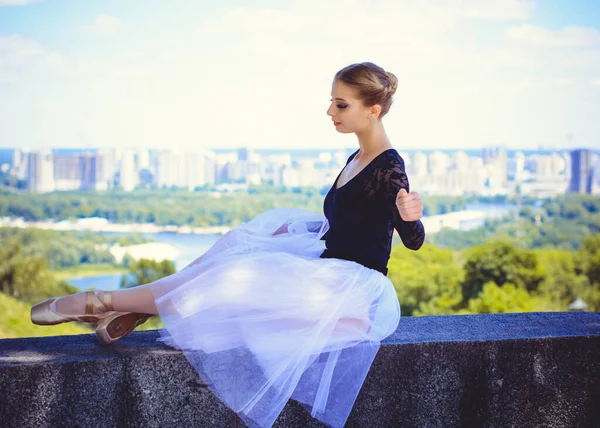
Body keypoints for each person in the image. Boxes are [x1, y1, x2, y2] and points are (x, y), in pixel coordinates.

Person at [31, 61, 425, 428]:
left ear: (373, 110)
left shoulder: (389, 168)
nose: (329, 111)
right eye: (331, 101)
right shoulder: (358, 155)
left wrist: (410, 218)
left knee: (231, 279)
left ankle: (103, 301)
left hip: (350, 292)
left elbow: (412, 240)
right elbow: (351, 223)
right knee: (240, 241)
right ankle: (139, 310)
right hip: (326, 262)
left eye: (340, 104)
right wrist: (290, 237)